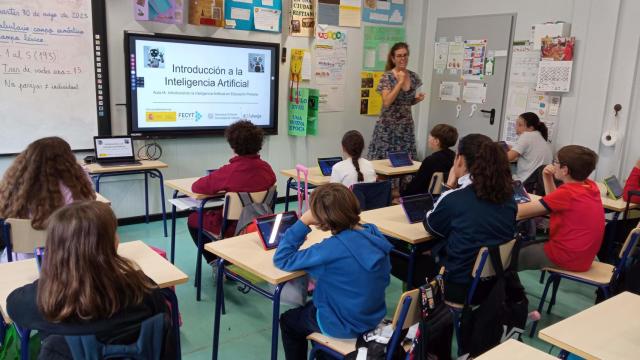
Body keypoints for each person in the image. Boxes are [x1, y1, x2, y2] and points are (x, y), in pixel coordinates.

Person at [7, 201, 175, 359]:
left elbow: (12, 305)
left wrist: (50, 277)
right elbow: (162, 317)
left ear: (54, 249)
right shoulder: (142, 288)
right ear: (112, 244)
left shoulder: (43, 299)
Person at [274, 184, 392, 360]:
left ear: (321, 218)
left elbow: (282, 258)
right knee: (312, 304)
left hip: (342, 325)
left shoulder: (330, 250)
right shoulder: (373, 233)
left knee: (289, 321)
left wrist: (303, 222)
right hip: (372, 316)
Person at [424, 134, 517, 304]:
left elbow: (431, 226)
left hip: (458, 286)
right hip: (494, 286)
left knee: (408, 257)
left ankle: (424, 320)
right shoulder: (509, 197)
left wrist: (450, 184)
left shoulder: (455, 198)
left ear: (459, 159)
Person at [187, 120, 276, 265]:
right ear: (258, 144)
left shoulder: (229, 171)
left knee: (193, 219)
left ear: (233, 146)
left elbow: (197, 187)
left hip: (233, 227)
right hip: (259, 224)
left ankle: (216, 262)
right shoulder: (267, 169)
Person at [0, 137, 95, 262]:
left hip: (22, 258)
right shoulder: (79, 178)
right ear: (68, 158)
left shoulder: (13, 183)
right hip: (69, 255)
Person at [517, 145, 604, 271]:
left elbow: (521, 212)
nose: (553, 165)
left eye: (555, 162)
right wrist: (547, 177)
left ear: (564, 169)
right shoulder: (590, 186)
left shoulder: (568, 193)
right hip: (584, 258)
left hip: (565, 257)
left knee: (507, 256)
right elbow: (555, 202)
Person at [368, 42, 426, 160]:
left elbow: (405, 102)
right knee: (386, 163)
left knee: (405, 163)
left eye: (405, 55)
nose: (403, 58)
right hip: (388, 128)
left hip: (406, 127)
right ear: (393, 59)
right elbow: (387, 102)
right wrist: (399, 82)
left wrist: (417, 99)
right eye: (399, 56)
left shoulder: (414, 76)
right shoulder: (387, 77)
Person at [401, 124, 458, 197]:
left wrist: (401, 193)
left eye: (430, 136)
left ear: (437, 141)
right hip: (445, 197)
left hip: (424, 198)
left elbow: (416, 186)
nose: (428, 139)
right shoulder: (456, 158)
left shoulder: (430, 161)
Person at [507, 112, 553, 182]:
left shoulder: (526, 136)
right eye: (516, 124)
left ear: (531, 128)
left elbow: (507, 157)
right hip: (539, 182)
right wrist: (513, 149)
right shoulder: (539, 136)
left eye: (520, 125)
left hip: (527, 181)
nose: (516, 127)